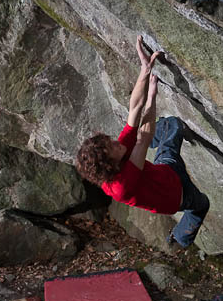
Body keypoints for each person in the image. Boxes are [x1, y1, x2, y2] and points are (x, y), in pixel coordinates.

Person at [75, 36, 210, 248]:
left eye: (111, 142)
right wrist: (152, 96)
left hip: (167, 169)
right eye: (113, 147)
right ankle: (181, 237)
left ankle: (161, 141)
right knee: (201, 205)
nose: (117, 143)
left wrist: (145, 70)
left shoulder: (117, 155)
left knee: (172, 125)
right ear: (111, 165)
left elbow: (134, 109)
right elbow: (144, 136)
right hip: (178, 195)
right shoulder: (120, 187)